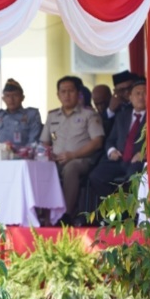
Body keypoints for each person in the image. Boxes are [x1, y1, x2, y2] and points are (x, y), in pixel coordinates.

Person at [40, 76, 104, 225]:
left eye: (71, 91)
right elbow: (45, 142)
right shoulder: (52, 116)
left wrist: (73, 155)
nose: (67, 95)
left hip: (81, 159)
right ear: (58, 95)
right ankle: (43, 215)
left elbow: (97, 142)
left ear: (78, 93)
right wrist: (48, 154)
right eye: (63, 91)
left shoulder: (89, 114)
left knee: (71, 168)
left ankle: (66, 215)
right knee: (40, 168)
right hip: (56, 160)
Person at [88, 78, 148, 208]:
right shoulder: (122, 116)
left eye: (145, 93)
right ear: (130, 97)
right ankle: (117, 210)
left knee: (132, 178)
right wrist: (111, 151)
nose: (141, 97)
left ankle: (133, 214)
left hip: (138, 161)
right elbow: (110, 140)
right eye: (137, 93)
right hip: (118, 159)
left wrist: (144, 153)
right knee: (96, 176)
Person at [0, 78, 42, 148]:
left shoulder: (31, 115)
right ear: (3, 99)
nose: (11, 99)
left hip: (22, 157)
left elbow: (33, 142)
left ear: (22, 97)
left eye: (15, 95)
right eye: (8, 96)